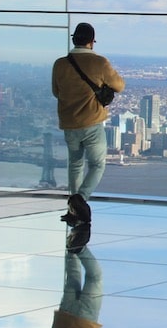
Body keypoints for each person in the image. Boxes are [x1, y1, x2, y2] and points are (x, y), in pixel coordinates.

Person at [51, 23, 125, 226]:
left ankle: (73, 209)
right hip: (92, 122)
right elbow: (119, 85)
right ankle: (80, 199)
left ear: (74, 39)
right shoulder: (99, 62)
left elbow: (56, 92)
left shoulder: (60, 64)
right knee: (98, 164)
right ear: (92, 42)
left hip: (68, 123)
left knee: (75, 164)